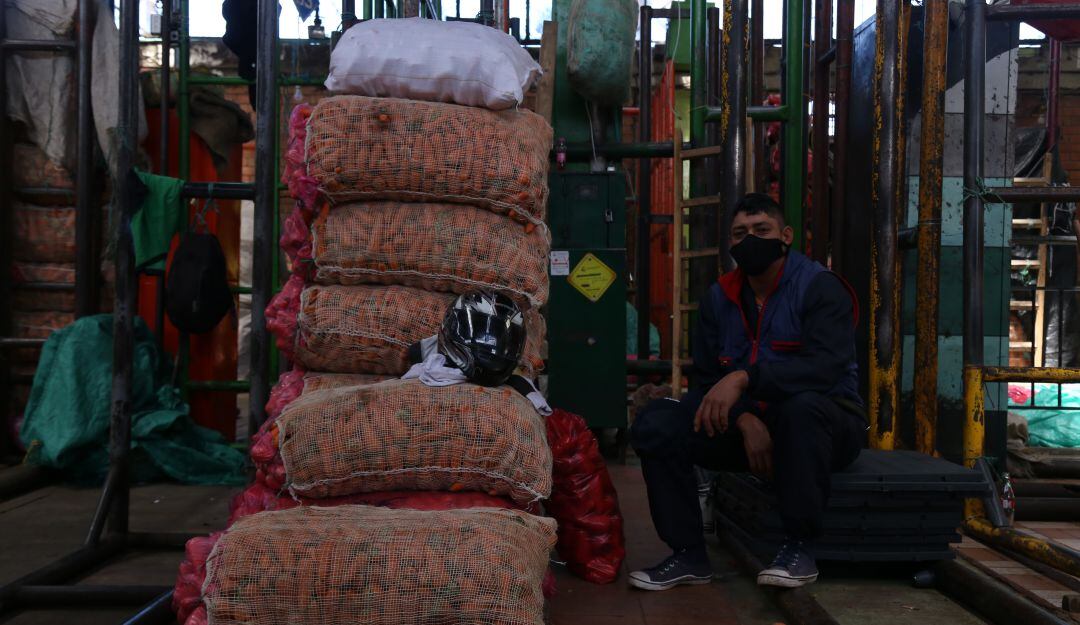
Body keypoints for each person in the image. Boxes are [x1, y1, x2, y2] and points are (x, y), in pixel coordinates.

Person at [628, 193, 867, 591]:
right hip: (751, 428)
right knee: (658, 422)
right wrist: (743, 419)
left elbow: (825, 369)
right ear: (731, 244)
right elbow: (705, 382)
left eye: (762, 230)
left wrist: (744, 378)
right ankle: (689, 554)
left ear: (786, 236)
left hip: (825, 427)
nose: (750, 239)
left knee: (802, 409)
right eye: (740, 233)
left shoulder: (821, 289)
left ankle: (799, 548)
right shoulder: (719, 299)